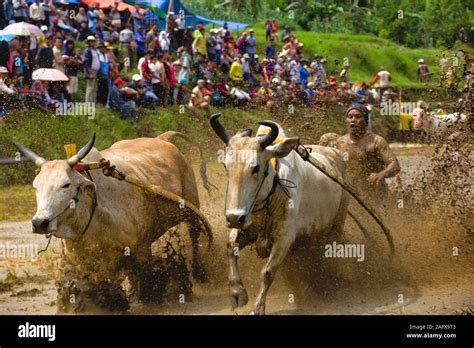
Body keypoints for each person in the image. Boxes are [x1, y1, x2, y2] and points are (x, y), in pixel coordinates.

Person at [336, 104, 400, 202]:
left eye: (358, 116)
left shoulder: (376, 141)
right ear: (346, 121)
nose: (353, 120)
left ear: (365, 121)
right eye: (350, 117)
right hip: (349, 193)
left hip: (375, 193)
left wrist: (381, 174)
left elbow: (395, 165)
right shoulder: (340, 142)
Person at [83, 35, 100, 103]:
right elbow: (86, 62)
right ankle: (88, 104)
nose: (93, 43)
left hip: (96, 71)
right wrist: (89, 72)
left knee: (94, 88)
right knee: (90, 88)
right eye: (91, 41)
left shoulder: (95, 50)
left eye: (93, 41)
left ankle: (93, 103)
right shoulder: (87, 50)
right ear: (89, 42)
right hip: (91, 70)